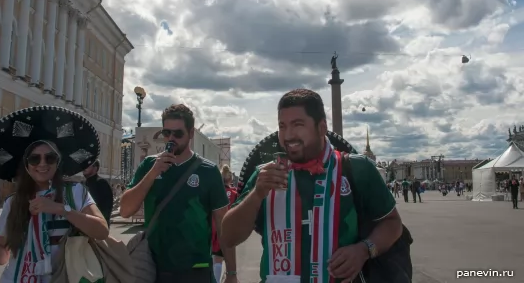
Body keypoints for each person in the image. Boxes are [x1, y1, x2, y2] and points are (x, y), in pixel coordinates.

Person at [221, 89, 403, 283]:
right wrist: (257, 195)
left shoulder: (355, 169)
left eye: (298, 125)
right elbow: (228, 237)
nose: (288, 135)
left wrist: (364, 249)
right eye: (282, 126)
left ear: (322, 127)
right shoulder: (265, 175)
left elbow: (392, 223)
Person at [0, 106, 109, 283]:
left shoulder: (75, 192)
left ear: (58, 162)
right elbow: (3, 257)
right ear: (26, 165)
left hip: (62, 278)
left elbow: (101, 231)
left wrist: (61, 209)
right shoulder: (13, 202)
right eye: (34, 159)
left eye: (50, 158)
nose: (42, 164)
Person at [120, 104, 238, 283]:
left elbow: (223, 224)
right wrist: (153, 173)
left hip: (196, 270)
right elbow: (125, 210)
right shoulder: (149, 166)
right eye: (166, 133)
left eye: (178, 134)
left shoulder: (209, 171)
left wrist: (231, 273)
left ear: (191, 133)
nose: (171, 139)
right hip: (155, 270)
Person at [212, 165, 238, 283]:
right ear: (230, 179)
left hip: (214, 225)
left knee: (216, 257)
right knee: (226, 257)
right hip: (229, 226)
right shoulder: (234, 193)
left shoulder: (216, 192)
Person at [83, 160, 114, 226]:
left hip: (98, 225)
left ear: (95, 168)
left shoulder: (101, 183)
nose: (84, 167)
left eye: (88, 165)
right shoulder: (82, 184)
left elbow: (107, 207)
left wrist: (101, 223)